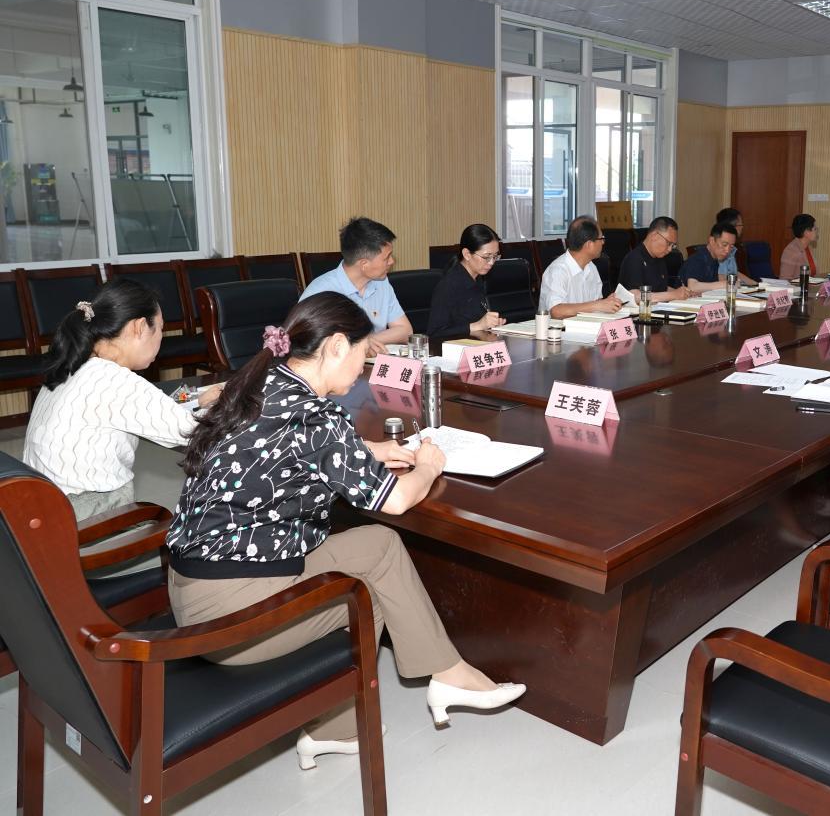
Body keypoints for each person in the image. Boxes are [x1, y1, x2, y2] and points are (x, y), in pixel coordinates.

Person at [166, 293, 525, 769]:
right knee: (369, 586)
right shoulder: (318, 417)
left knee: (377, 553)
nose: (365, 364)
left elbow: (283, 448)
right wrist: (429, 465)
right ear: (336, 346)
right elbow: (397, 500)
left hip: (193, 585)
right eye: (363, 351)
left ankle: (368, 711)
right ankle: (409, 692)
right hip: (229, 616)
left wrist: (369, 450)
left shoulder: (262, 382)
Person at [23, 279, 220, 520]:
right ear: (139, 327)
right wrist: (229, 401)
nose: (161, 338)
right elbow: (192, 431)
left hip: (43, 505)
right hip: (83, 510)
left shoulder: (73, 364)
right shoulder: (113, 378)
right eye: (160, 329)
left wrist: (197, 399)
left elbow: (147, 407)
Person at [300, 217, 411, 356]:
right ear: (364, 264)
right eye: (386, 258)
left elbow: (405, 330)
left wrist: (367, 341)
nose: (392, 261)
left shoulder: (381, 282)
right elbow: (312, 347)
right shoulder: (321, 292)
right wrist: (363, 344)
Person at [427, 223, 506, 342]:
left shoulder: (478, 278)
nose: (491, 262)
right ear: (467, 254)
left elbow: (477, 319)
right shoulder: (448, 285)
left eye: (495, 256)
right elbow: (434, 333)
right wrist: (477, 325)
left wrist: (491, 323)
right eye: (486, 257)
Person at [538, 215, 623, 319]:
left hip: (584, 325)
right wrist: (597, 305)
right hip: (559, 328)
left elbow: (593, 304)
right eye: (601, 238)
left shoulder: (591, 267)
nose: (603, 242)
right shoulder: (558, 270)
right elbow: (556, 311)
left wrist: (606, 303)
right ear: (589, 244)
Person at [618, 215, 691, 302]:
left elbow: (661, 289)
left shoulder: (659, 258)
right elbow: (634, 295)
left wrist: (684, 293)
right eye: (668, 243)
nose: (670, 249)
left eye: (673, 245)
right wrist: (673, 294)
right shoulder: (634, 259)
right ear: (654, 236)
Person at [678, 222, 739, 293]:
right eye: (724, 245)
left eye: (731, 246)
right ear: (712, 241)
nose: (727, 250)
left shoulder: (714, 259)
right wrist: (725, 284)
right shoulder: (697, 259)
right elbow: (692, 287)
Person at [714, 208, 757, 287]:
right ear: (732, 227)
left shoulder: (732, 249)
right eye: (740, 225)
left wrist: (756, 285)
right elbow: (720, 277)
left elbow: (734, 273)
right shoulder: (721, 249)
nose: (742, 227)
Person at [779, 213, 818, 280]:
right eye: (815, 229)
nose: (817, 232)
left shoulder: (808, 247)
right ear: (806, 232)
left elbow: (813, 274)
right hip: (797, 287)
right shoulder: (791, 251)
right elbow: (785, 279)